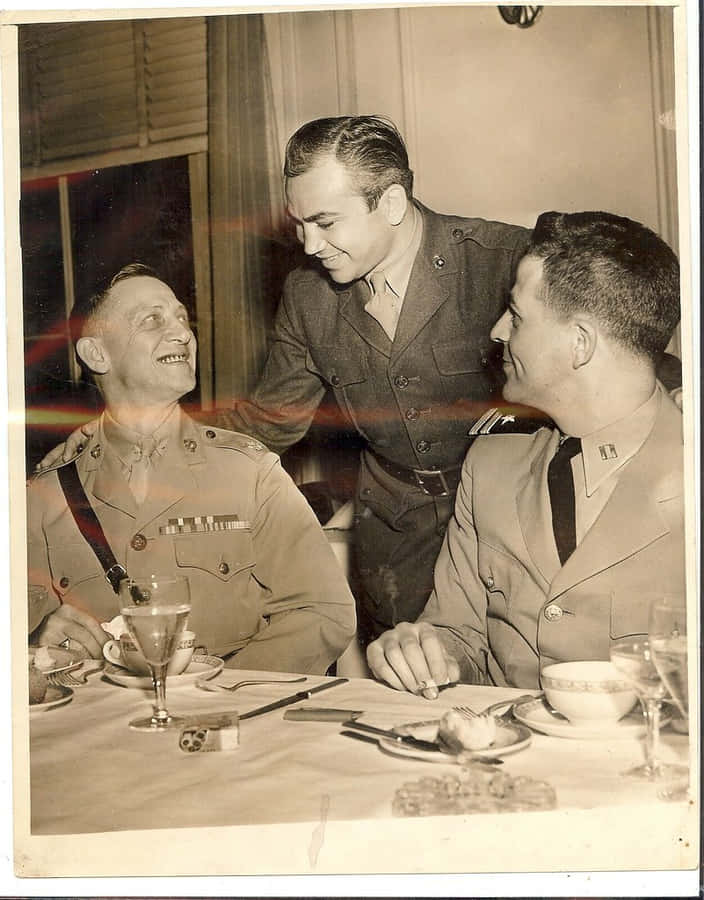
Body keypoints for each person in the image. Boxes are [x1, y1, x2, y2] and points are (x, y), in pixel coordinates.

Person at [38, 117, 682, 645]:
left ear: (393, 203)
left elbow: (620, 340)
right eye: (297, 224)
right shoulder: (310, 297)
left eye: (325, 222)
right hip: (394, 537)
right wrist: (132, 433)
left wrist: (684, 401)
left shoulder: (498, 261)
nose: (308, 244)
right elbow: (271, 422)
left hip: (515, 521)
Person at [366, 210, 685, 693]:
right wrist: (427, 653)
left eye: (515, 316)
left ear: (580, 343)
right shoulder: (491, 466)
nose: (497, 331)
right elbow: (458, 634)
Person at [27, 264, 356, 674]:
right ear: (96, 354)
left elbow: (323, 610)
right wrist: (33, 638)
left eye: (182, 317)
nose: (182, 332)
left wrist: (220, 692)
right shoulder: (44, 494)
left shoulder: (251, 473)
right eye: (152, 320)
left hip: (228, 719)